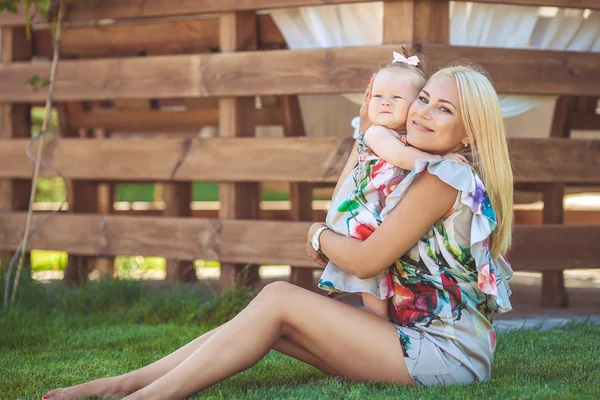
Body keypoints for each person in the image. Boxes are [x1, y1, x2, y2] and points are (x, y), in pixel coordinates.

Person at [42, 64, 513, 400]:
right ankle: (124, 384)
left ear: (469, 133)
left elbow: (365, 259)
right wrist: (372, 124)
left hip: (444, 354)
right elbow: (344, 201)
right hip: (406, 337)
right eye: (423, 99)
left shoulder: (445, 177)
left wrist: (316, 237)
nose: (422, 112)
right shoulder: (412, 164)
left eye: (443, 109)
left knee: (279, 299)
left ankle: (138, 396)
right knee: (260, 323)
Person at [318, 47, 467, 319]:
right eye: (378, 96)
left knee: (381, 275)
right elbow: (402, 157)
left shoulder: (413, 142)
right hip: (362, 217)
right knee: (372, 283)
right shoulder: (377, 133)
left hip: (378, 218)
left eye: (397, 97)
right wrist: (442, 159)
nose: (385, 102)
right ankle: (378, 325)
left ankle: (380, 327)